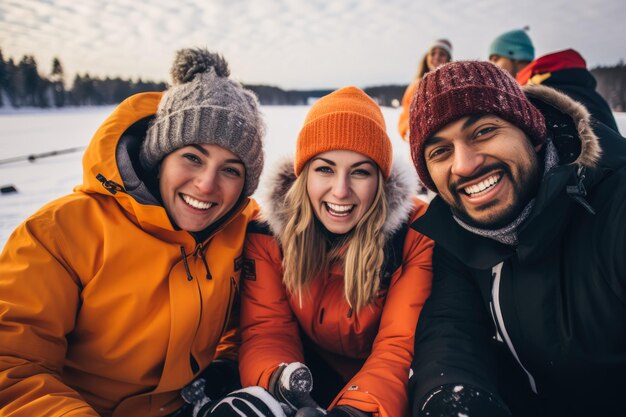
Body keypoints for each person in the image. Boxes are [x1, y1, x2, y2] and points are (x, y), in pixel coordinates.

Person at [0, 48, 265, 416]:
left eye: (231, 170)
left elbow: (252, 322)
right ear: (159, 158)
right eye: (192, 157)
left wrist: (225, 364)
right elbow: (12, 366)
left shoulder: (246, 232)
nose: (206, 185)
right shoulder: (59, 233)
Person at [406, 61, 626, 416]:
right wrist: (451, 398)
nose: (464, 164)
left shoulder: (614, 205)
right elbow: (452, 329)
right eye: (440, 151)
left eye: (483, 131)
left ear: (534, 134)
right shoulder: (460, 233)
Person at [237, 86, 434, 417]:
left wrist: (354, 411)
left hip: (387, 390)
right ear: (303, 175)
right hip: (308, 376)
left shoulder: (414, 233)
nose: (341, 191)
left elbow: (399, 345)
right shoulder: (268, 233)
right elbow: (268, 331)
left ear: (381, 181)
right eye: (325, 169)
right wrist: (282, 385)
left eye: (360, 171)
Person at [489, 28, 619, 132]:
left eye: (495, 59)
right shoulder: (567, 84)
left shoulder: (545, 95)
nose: (491, 66)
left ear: (514, 55)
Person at [398, 39, 452, 142]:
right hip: (421, 141)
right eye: (433, 53)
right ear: (427, 57)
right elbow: (405, 114)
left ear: (448, 59)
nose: (436, 56)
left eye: (442, 54)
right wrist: (408, 132)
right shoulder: (416, 85)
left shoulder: (452, 84)